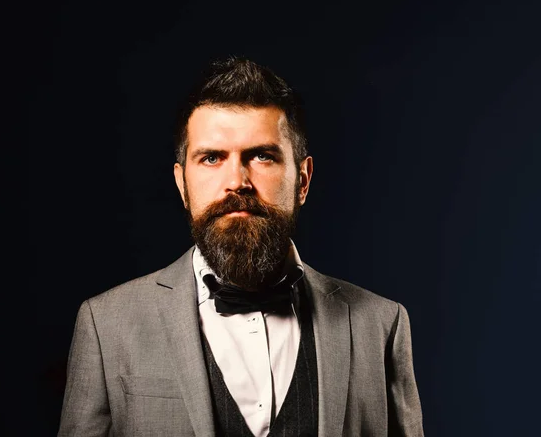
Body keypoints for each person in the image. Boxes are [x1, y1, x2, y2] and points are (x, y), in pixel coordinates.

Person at [57, 57, 424, 436]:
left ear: (302, 179)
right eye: (212, 158)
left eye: (262, 156)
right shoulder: (107, 325)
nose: (237, 181)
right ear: (182, 184)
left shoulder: (381, 325)